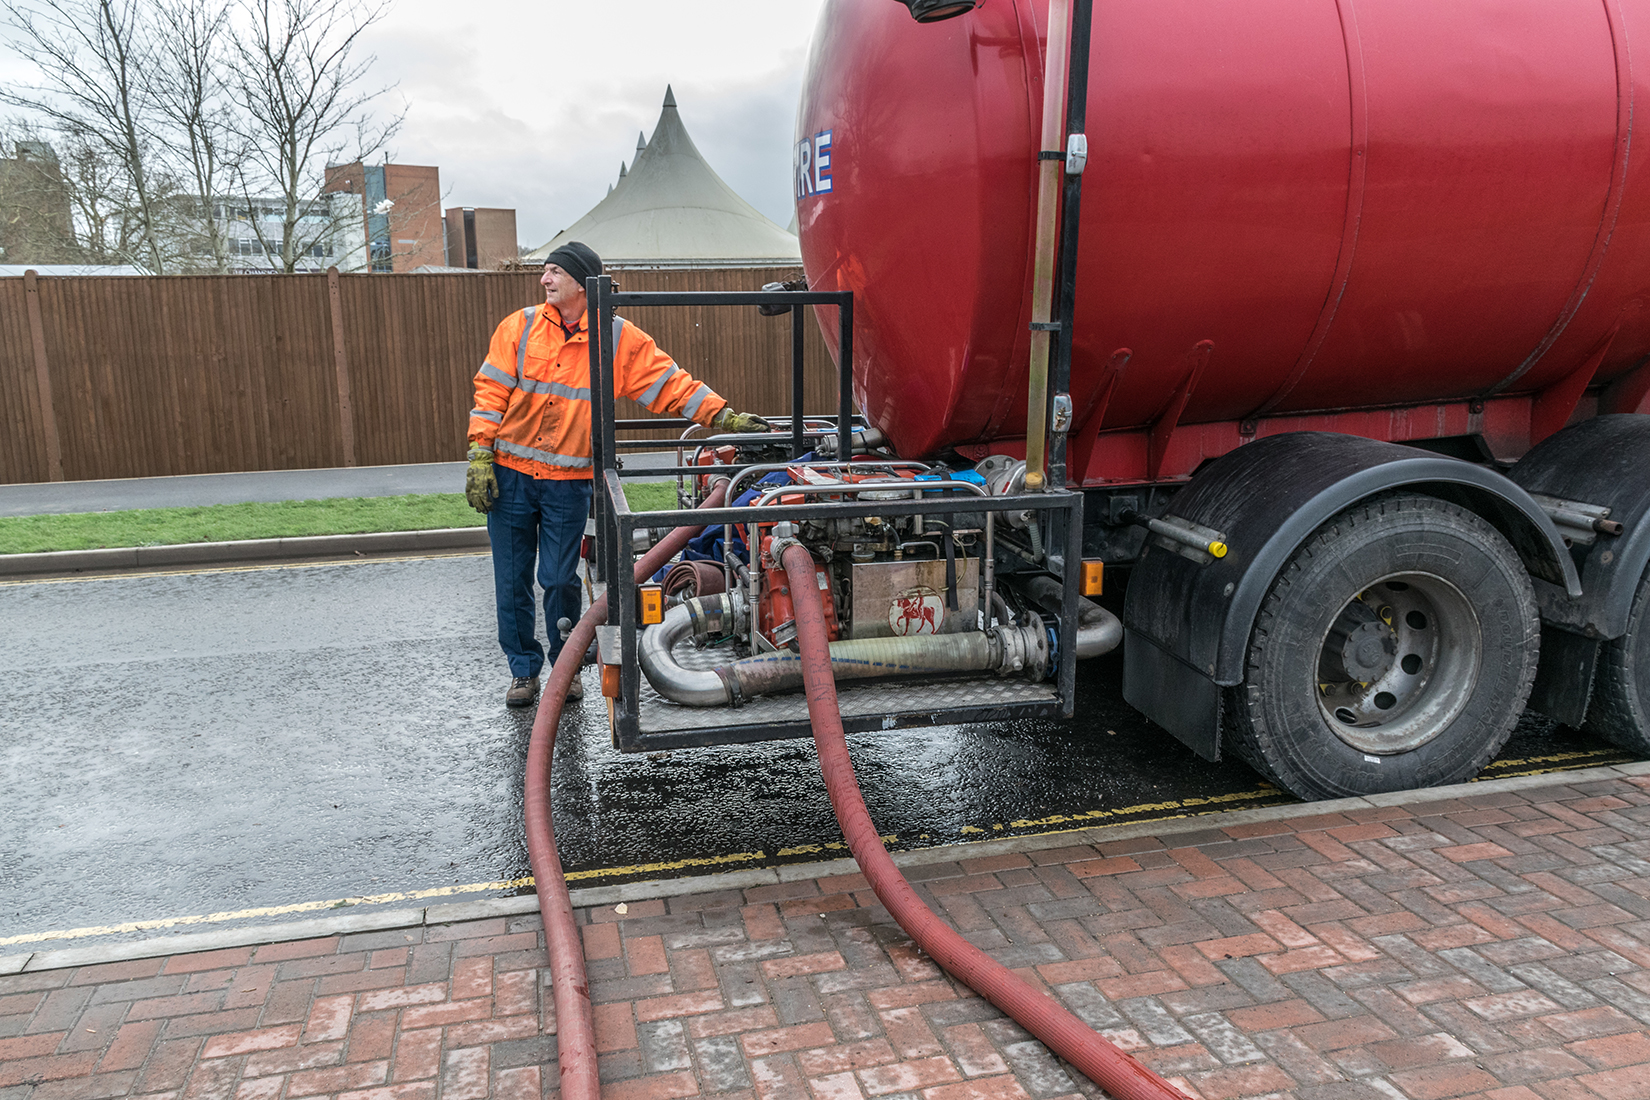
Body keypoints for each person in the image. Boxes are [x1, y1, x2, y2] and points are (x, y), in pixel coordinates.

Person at [465, 242, 768, 708]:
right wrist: (480, 454)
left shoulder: (616, 337)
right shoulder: (519, 327)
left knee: (559, 579)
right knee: (511, 580)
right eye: (544, 272)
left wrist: (722, 417)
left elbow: (669, 383)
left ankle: (564, 668)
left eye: (554, 273)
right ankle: (523, 672)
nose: (545, 280)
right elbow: (490, 393)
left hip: (568, 483)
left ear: (583, 283)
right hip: (511, 479)